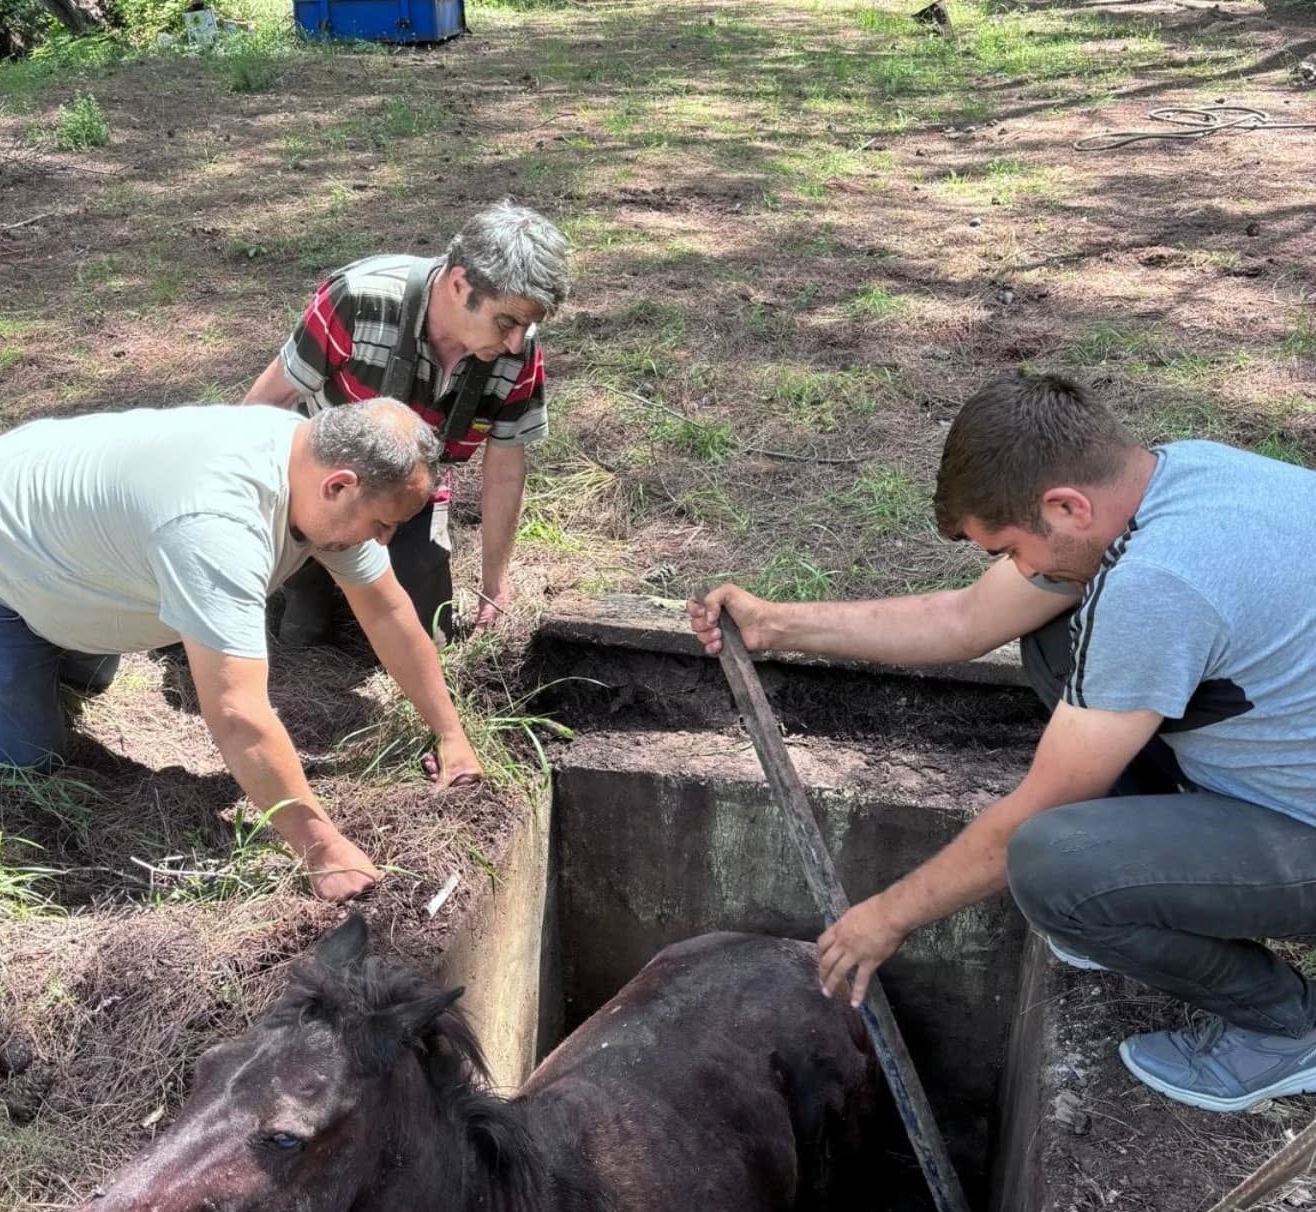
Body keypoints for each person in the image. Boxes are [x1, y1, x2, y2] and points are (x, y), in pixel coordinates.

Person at [690, 371, 1316, 1114]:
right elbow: (965, 621)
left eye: (1014, 549)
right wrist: (776, 624)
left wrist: (885, 917)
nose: (1019, 570)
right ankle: (1139, 891)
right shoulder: (1175, 476)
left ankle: (1285, 1030)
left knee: (1053, 865)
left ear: (1065, 506)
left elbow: (1036, 815)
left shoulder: (1158, 584)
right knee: (1054, 633)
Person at [0, 398, 483, 903]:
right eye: (381, 526)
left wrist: (449, 731)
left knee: (86, 681)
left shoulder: (307, 459)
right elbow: (238, 713)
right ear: (339, 485)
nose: (383, 542)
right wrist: (321, 849)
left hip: (42, 541)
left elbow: (387, 609)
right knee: (16, 757)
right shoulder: (216, 522)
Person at [244, 199, 571, 645]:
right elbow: (266, 404)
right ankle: (306, 583)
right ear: (460, 284)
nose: (516, 343)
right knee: (303, 635)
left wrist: (495, 585)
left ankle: (357, 570)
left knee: (426, 636)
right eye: (507, 321)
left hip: (411, 497)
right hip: (319, 484)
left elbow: (505, 472)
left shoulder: (518, 355)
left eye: (527, 326)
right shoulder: (357, 300)